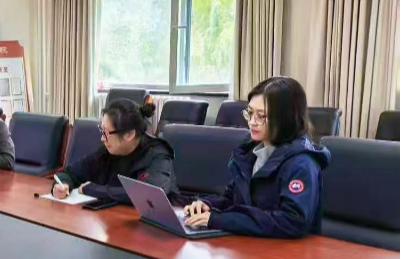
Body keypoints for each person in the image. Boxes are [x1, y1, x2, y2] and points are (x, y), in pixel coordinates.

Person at [183, 76, 330, 238]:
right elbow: (232, 198)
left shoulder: (302, 163)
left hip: (286, 250)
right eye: (250, 113)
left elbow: (291, 222)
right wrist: (208, 205)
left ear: (286, 118)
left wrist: (220, 220)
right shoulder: (249, 153)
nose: (252, 122)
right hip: (251, 244)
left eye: (261, 116)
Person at [52, 99, 178, 204]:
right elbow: (70, 173)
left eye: (107, 133)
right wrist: (63, 184)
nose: (102, 138)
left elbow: (148, 194)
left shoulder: (158, 155)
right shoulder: (108, 152)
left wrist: (94, 189)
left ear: (129, 134)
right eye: (102, 131)